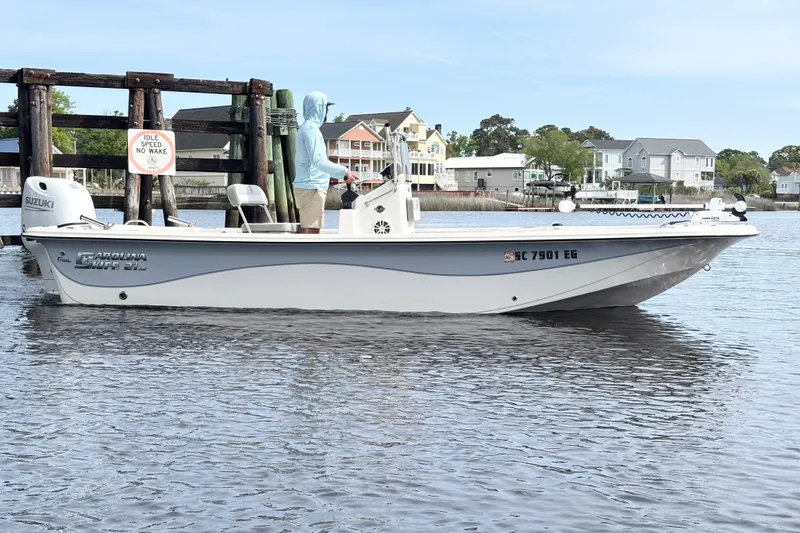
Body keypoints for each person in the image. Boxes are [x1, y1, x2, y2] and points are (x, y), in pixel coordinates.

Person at [294, 91, 358, 234]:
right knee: (310, 231)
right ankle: (306, 257)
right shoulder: (311, 130)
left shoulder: (307, 129)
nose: (326, 111)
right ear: (317, 108)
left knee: (313, 229)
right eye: (325, 108)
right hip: (311, 188)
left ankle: (309, 257)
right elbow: (318, 161)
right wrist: (344, 172)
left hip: (311, 187)